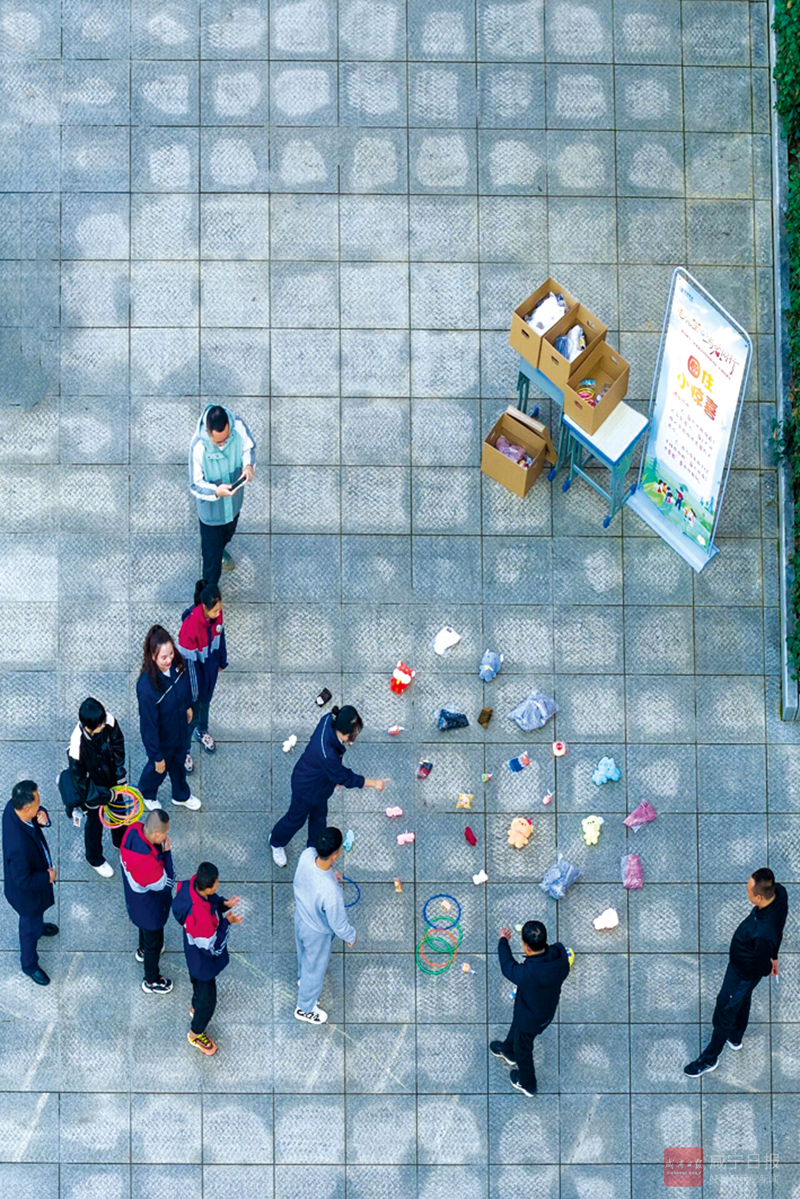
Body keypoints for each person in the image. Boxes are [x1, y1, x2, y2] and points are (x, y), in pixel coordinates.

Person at [685, 868, 788, 1077]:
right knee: (743, 998)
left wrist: (768, 965)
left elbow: (761, 966)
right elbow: (780, 928)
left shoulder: (761, 932)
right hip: (746, 971)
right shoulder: (780, 893)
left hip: (741, 972)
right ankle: (736, 1036)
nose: (746, 891)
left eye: (749, 890)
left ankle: (709, 1058)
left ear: (759, 897)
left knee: (725, 1010)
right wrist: (774, 956)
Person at [270, 705, 388, 868]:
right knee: (295, 819)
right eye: (353, 734)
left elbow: (337, 773)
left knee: (319, 819)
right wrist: (374, 783)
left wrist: (333, 777)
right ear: (345, 734)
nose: (354, 737)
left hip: (321, 784)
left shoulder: (328, 719)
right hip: (306, 787)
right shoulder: (328, 754)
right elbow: (345, 777)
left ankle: (313, 852)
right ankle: (276, 841)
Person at [491, 921, 571, 1096]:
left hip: (529, 1019)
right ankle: (508, 1050)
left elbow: (507, 966)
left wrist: (503, 941)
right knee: (517, 1031)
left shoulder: (527, 974)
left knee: (524, 1051)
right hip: (545, 1010)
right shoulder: (559, 954)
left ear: (526, 948)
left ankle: (528, 1084)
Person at [172, 860, 242, 1055]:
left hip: (192, 951)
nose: (218, 883)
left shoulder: (190, 886)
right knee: (209, 1002)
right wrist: (227, 923)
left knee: (196, 981)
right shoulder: (201, 918)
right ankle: (196, 1033)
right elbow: (214, 948)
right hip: (203, 962)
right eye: (217, 882)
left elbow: (210, 901)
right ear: (209, 887)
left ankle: (195, 1003)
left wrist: (223, 904)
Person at [293, 826, 355, 1025]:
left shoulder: (307, 855)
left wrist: (330, 876)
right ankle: (305, 1008)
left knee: (303, 955)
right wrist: (350, 935)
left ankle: (303, 979)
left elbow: (310, 877)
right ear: (335, 855)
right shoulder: (331, 893)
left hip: (301, 916)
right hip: (317, 931)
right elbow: (338, 923)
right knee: (316, 968)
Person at [189, 403, 256, 587]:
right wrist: (216, 492)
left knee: (228, 534)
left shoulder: (238, 426)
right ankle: (206, 603)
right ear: (209, 433)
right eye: (219, 442)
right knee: (211, 566)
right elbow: (195, 485)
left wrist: (248, 466)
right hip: (211, 515)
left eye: (227, 439)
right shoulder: (198, 448)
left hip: (233, 506)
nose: (224, 444)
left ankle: (220, 551)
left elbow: (248, 448)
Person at [136, 625, 201, 812]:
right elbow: (148, 726)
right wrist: (156, 755)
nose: (170, 659)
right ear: (153, 656)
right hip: (163, 739)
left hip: (179, 730)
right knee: (158, 769)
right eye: (164, 657)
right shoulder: (147, 688)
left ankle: (180, 795)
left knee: (179, 765)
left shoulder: (178, 665)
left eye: (171, 653)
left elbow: (185, 686)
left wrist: (187, 705)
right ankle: (147, 792)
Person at [2, 781, 58, 986]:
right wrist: (47, 878)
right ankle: (29, 965)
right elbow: (22, 880)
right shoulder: (18, 847)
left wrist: (41, 814)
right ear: (26, 809)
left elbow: (35, 814)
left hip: (33, 888)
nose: (40, 806)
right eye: (37, 804)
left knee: (35, 921)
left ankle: (39, 927)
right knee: (28, 929)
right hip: (27, 896)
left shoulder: (12, 808)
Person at [66, 697, 127, 878]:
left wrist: (119, 774)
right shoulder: (76, 748)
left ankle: (120, 840)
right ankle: (94, 857)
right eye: (98, 726)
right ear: (87, 728)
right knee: (94, 824)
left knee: (120, 811)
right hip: (93, 787)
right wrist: (103, 796)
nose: (103, 727)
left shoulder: (108, 721)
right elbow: (82, 782)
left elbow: (118, 746)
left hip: (111, 778)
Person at [120, 808, 175, 994]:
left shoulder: (132, 830)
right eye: (165, 834)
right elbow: (167, 882)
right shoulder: (149, 867)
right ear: (158, 834)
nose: (166, 837)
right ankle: (151, 980)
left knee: (144, 931)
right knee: (154, 942)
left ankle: (142, 950)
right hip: (150, 910)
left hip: (136, 902)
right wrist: (167, 853)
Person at [178, 579, 227, 770]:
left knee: (205, 706)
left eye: (219, 609)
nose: (219, 613)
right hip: (196, 680)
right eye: (215, 610)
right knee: (193, 715)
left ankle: (202, 731)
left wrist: (222, 660)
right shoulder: (190, 629)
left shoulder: (217, 617)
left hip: (209, 672)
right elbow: (189, 667)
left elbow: (221, 636)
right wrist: (193, 696)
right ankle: (184, 750)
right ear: (205, 607)